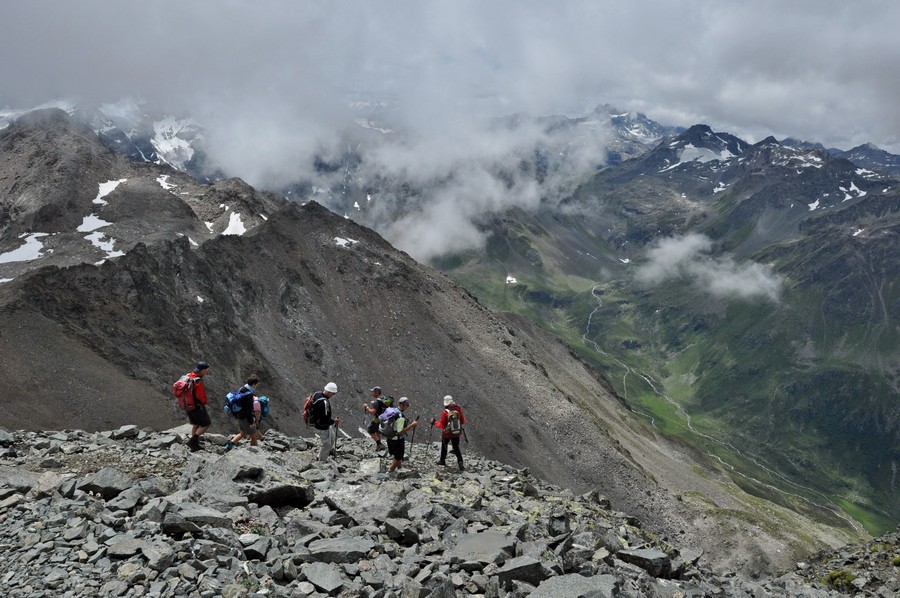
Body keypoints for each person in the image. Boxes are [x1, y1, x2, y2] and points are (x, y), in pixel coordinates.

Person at [224, 374, 261, 451]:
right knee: (253, 435)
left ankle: (229, 445)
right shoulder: (249, 395)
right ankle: (254, 453)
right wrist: (251, 422)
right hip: (245, 417)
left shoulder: (242, 389)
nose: (256, 386)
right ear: (254, 384)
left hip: (239, 415)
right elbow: (248, 409)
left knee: (242, 434)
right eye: (256, 384)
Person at [433, 395, 466, 470]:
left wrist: (434, 422)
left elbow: (441, 424)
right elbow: (463, 421)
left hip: (447, 434)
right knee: (456, 447)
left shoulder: (445, 412)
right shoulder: (458, 409)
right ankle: (460, 461)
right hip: (456, 432)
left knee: (444, 446)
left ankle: (442, 460)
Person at [184, 360, 211, 452]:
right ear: (203, 370)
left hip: (188, 405)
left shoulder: (189, 376)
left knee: (196, 424)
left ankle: (194, 445)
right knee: (206, 424)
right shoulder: (198, 381)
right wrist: (203, 403)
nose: (206, 372)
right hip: (197, 407)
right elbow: (200, 396)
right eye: (206, 370)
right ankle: (192, 441)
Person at [386, 397, 418, 473]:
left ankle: (399, 467)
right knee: (398, 457)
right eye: (407, 405)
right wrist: (411, 425)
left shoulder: (392, 410)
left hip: (389, 437)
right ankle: (390, 472)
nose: (407, 407)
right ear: (403, 405)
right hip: (397, 439)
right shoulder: (400, 416)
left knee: (396, 454)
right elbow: (400, 432)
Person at [310, 382, 340, 462]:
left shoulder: (317, 394)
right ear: (329, 392)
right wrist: (334, 421)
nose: (332, 395)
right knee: (326, 444)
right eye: (332, 394)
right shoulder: (324, 402)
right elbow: (324, 419)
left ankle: (320, 456)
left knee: (332, 439)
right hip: (322, 426)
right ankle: (321, 460)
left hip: (318, 423)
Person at [362, 386, 391, 451]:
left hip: (378, 419)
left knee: (370, 430)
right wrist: (374, 404)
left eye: (373, 392)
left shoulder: (377, 402)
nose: (372, 393)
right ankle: (380, 446)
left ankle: (379, 444)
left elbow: (373, 412)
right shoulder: (383, 399)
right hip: (383, 419)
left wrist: (367, 407)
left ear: (377, 392)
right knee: (378, 431)